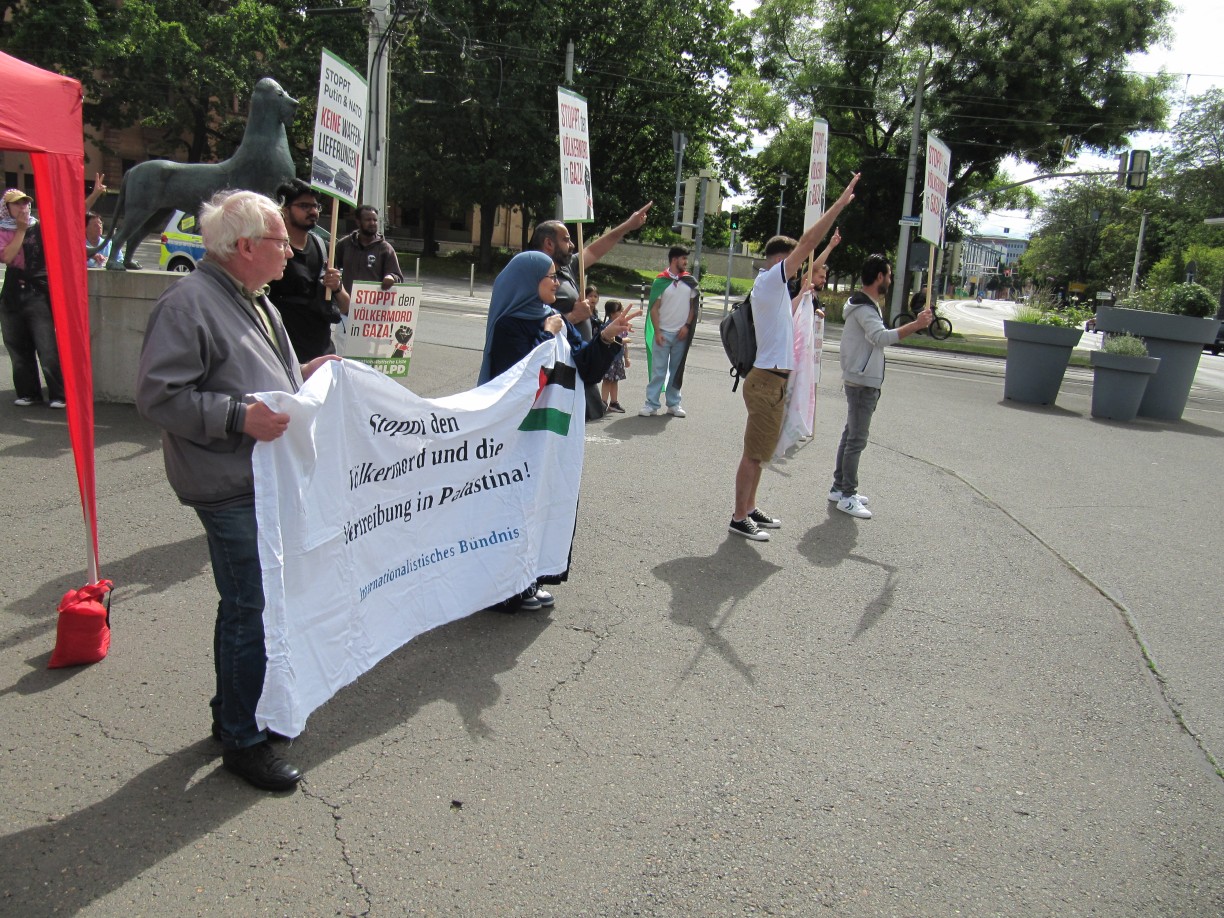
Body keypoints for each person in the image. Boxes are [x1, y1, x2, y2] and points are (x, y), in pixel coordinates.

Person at [136, 189, 339, 792]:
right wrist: (238, 417)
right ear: (245, 247)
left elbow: (260, 376)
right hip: (227, 480)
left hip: (258, 477)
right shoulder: (189, 302)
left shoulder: (253, 298)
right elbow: (159, 396)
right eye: (280, 241)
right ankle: (244, 740)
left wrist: (302, 375)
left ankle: (233, 716)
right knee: (252, 605)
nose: (291, 250)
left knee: (251, 603)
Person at [478, 250, 639, 610]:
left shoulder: (554, 319)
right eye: (550, 276)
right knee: (514, 505)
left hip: (549, 436)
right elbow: (518, 381)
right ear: (527, 282)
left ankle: (528, 576)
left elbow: (584, 367)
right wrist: (548, 335)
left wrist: (606, 339)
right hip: (519, 436)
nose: (557, 282)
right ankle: (504, 589)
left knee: (542, 504)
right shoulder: (511, 326)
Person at [729, 174, 860, 542]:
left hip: (773, 380)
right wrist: (839, 206)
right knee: (754, 453)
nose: (802, 267)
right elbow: (808, 241)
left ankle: (749, 507)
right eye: (797, 262)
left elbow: (789, 314)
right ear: (782, 260)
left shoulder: (776, 290)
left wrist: (805, 289)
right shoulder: (771, 280)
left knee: (761, 451)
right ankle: (740, 516)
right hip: (767, 380)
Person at [829, 254, 932, 520]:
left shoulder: (865, 304)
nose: (890, 279)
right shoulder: (864, 308)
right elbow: (880, 338)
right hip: (862, 381)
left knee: (850, 435)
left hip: (860, 378)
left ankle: (839, 488)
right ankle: (847, 496)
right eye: (888, 274)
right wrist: (917, 325)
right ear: (878, 277)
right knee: (856, 439)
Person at [529, 204, 652, 421]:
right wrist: (573, 317)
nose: (572, 244)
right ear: (548, 243)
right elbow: (531, 332)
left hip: (581, 365)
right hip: (555, 374)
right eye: (566, 240)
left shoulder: (566, 268)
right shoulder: (531, 276)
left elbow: (595, 249)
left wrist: (627, 226)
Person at [266, 179, 348, 361]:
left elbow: (346, 306)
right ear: (284, 210)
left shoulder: (323, 247)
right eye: (304, 206)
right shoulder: (270, 248)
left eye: (316, 206)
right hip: (285, 357)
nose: (313, 211)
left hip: (322, 354)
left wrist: (337, 287)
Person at [1, 189, 65, 409]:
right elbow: (7, 256)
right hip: (12, 292)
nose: (23, 208)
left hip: (37, 291)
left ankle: (59, 394)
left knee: (47, 346)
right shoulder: (3, 229)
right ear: (7, 208)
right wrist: (20, 230)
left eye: (26, 203)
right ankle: (29, 393)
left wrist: (93, 196)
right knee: (17, 345)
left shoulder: (40, 226)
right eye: (17, 204)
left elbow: (70, 218)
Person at [640, 245, 700, 418]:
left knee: (676, 370)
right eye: (683, 259)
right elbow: (654, 309)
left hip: (681, 334)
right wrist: (657, 332)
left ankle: (674, 403)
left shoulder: (689, 282)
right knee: (658, 370)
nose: (686, 262)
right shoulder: (661, 281)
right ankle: (651, 404)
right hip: (663, 333)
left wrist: (687, 326)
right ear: (674, 260)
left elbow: (693, 308)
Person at [334, 204, 402, 293]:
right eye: (368, 220)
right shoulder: (344, 244)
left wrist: (391, 277)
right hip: (347, 302)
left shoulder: (386, 249)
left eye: (375, 220)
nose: (372, 223)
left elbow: (398, 277)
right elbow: (331, 267)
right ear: (358, 222)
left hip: (373, 304)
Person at [600, 299, 630, 413]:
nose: (622, 313)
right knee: (607, 380)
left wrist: (627, 358)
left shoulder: (622, 326)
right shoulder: (607, 327)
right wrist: (622, 340)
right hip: (608, 359)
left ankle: (614, 402)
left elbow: (625, 345)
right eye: (620, 311)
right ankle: (603, 402)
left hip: (618, 359)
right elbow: (613, 341)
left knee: (615, 380)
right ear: (612, 313)